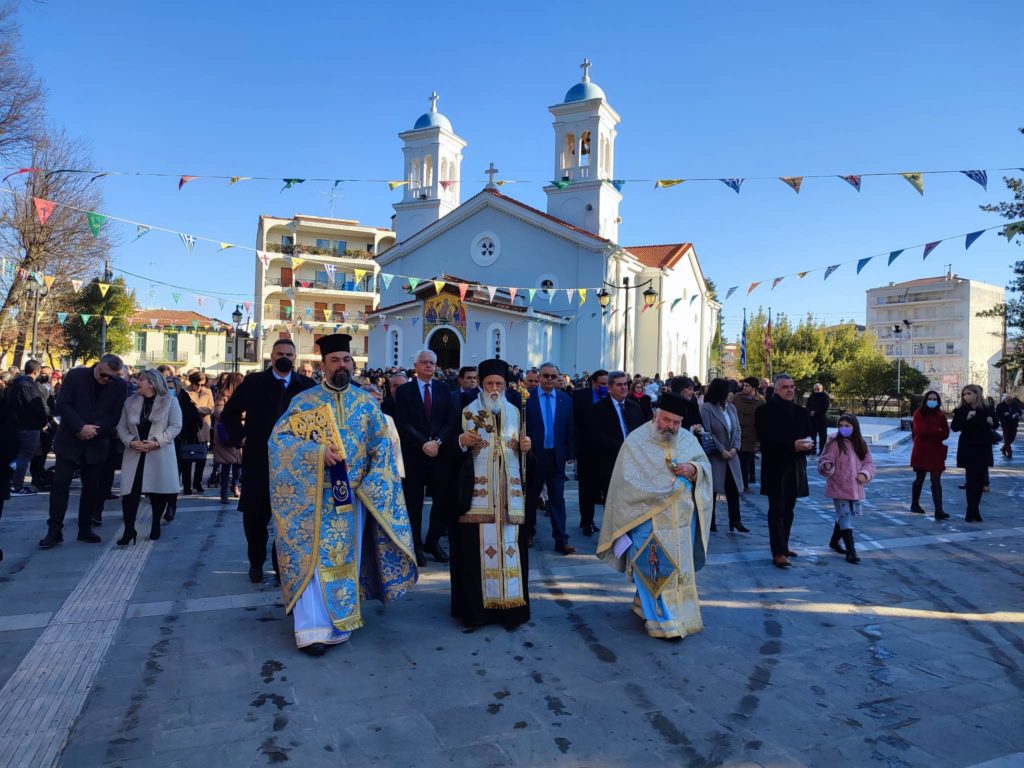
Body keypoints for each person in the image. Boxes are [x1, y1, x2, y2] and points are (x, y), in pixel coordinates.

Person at [270, 333, 416, 655]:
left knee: (345, 561)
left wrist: (372, 483)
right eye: (335, 360)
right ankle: (311, 629)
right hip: (313, 501)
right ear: (322, 365)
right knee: (315, 563)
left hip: (351, 499)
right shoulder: (303, 403)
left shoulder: (365, 404)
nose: (342, 365)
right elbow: (279, 444)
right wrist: (316, 454)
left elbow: (382, 448)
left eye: (346, 360)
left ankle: (340, 622)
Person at [597, 393, 713, 640]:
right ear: (656, 415)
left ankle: (664, 610)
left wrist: (694, 470)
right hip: (646, 520)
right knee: (654, 567)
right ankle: (664, 622)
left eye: (676, 423)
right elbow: (625, 483)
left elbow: (704, 467)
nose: (671, 427)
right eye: (667, 420)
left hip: (682, 522)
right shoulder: (636, 441)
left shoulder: (688, 439)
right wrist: (660, 492)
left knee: (678, 569)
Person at [220, 338, 316, 582]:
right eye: (280, 353)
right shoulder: (254, 382)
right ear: (272, 356)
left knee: (287, 519)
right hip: (258, 460)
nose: (285, 357)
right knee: (254, 517)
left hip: (293, 465)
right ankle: (255, 561)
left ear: (296, 358)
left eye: (289, 354)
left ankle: (279, 565)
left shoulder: (306, 386)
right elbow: (230, 413)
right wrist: (240, 437)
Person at [449, 358, 532, 628]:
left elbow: (523, 455)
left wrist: (527, 447)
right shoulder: (466, 411)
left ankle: (511, 610)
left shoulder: (516, 412)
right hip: (476, 498)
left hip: (509, 498)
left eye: (498, 383)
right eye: (489, 384)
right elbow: (448, 446)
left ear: (506, 386)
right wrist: (461, 442)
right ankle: (477, 612)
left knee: (511, 552)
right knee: (474, 555)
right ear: (481, 386)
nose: (494, 388)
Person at [39, 355, 129, 548]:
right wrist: (80, 427)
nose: (106, 380)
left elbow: (116, 414)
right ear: (97, 367)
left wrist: (94, 429)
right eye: (104, 375)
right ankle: (54, 530)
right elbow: (63, 404)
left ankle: (85, 527)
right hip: (70, 439)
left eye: (111, 377)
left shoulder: (119, 386)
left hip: (96, 441)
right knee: (60, 486)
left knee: (92, 487)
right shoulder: (76, 376)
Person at [393, 349, 456, 566]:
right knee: (414, 504)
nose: (428, 366)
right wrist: (423, 443)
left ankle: (432, 541)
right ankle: (416, 546)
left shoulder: (444, 389)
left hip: (439, 455)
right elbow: (402, 423)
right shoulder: (404, 392)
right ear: (416, 365)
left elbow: (450, 421)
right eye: (424, 362)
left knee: (442, 501)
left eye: (432, 362)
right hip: (415, 456)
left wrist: (437, 442)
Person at [115, 369, 182, 544]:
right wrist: (131, 442)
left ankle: (155, 524)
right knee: (129, 493)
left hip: (158, 452)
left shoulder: (170, 401)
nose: (137, 383)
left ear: (152, 383)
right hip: (135, 453)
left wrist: (157, 441)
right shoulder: (130, 402)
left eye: (141, 380)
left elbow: (175, 426)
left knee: (157, 492)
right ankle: (129, 530)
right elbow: (121, 427)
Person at [755, 373, 813, 568]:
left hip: (796, 466)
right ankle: (777, 551)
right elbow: (766, 440)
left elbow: (809, 433)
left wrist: (808, 444)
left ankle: (784, 545)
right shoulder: (764, 411)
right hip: (776, 467)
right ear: (777, 389)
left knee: (789, 508)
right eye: (785, 387)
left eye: (792, 386)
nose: (790, 390)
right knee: (777, 509)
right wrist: (792, 445)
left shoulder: (800, 411)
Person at [524, 362, 575, 554]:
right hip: (534, 456)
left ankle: (561, 539)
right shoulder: (527, 399)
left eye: (553, 376)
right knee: (530, 498)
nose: (549, 380)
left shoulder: (565, 400)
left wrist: (570, 452)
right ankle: (528, 532)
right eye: (546, 376)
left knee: (557, 499)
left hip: (556, 456)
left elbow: (570, 427)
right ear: (539, 377)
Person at [818, 414, 875, 564]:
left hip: (855, 486)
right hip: (839, 486)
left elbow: (869, 464)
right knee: (845, 516)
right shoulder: (834, 442)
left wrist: (865, 474)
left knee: (845, 516)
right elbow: (825, 459)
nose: (843, 429)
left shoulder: (861, 444)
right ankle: (851, 551)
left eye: (847, 426)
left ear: (854, 427)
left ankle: (834, 541)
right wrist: (827, 466)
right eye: (841, 425)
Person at [699, 378, 749, 534]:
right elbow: (708, 432)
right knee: (713, 490)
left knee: (733, 488)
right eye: (728, 391)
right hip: (716, 456)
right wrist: (722, 450)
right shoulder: (706, 408)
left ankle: (736, 520)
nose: (731, 394)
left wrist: (735, 448)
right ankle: (710, 521)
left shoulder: (731, 408)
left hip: (732, 455)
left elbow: (738, 430)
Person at [591, 371, 645, 511]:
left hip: (633, 464)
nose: (624, 388)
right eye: (619, 385)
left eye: (625, 384)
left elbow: (641, 432)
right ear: (609, 388)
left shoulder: (635, 407)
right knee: (612, 505)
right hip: (611, 464)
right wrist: (624, 447)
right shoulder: (599, 409)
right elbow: (599, 437)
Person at [571, 369, 608, 536]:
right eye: (602, 384)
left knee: (601, 488)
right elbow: (574, 422)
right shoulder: (580, 397)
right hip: (586, 450)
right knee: (586, 488)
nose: (605, 387)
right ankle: (586, 520)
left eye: (607, 384)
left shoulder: (611, 397)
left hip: (605, 451)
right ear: (594, 383)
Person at [951, 384, 995, 523]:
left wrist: (992, 422)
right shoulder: (961, 410)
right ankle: (971, 510)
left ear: (977, 394)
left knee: (980, 480)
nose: (966, 396)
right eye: (964, 394)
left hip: (983, 447)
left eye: (969, 393)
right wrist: (966, 418)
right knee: (971, 480)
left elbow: (996, 424)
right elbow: (955, 427)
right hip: (968, 448)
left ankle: (975, 510)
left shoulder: (986, 409)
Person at [8, 360, 48, 495]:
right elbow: (35, 405)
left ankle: (12, 481)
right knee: (24, 456)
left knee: (18, 456)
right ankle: (17, 485)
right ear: (36, 372)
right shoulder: (28, 385)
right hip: (29, 426)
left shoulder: (16, 383)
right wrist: (43, 421)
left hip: (16, 425)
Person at [910, 390, 950, 520]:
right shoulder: (919, 414)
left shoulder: (940, 415)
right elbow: (920, 431)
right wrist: (936, 431)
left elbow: (946, 433)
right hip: (921, 450)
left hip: (936, 451)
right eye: (930, 398)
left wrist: (934, 432)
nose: (932, 401)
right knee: (919, 479)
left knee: (936, 481)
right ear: (925, 400)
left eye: (935, 399)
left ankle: (939, 510)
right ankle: (915, 504)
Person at [213, 372, 244, 504]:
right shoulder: (223, 396)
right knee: (226, 465)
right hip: (226, 433)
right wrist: (237, 415)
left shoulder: (242, 396)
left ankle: (235, 486)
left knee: (238, 463)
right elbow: (219, 413)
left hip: (238, 433)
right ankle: (224, 492)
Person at [363, 381, 404, 479]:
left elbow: (395, 446)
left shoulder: (388, 419)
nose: (377, 402)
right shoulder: (355, 419)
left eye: (378, 399)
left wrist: (398, 473)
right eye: (372, 399)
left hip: (383, 473)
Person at [182, 370, 214, 494]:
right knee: (186, 459)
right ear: (192, 383)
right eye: (198, 384)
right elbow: (185, 410)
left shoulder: (208, 392)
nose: (200, 387)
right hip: (189, 428)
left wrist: (195, 409)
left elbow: (211, 409)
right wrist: (200, 410)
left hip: (204, 428)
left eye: (202, 384)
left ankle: (197, 483)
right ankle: (186, 485)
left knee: (201, 458)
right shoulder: (185, 392)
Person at [733, 376, 764, 492]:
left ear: (754, 388)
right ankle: (737, 484)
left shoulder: (760, 401)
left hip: (751, 435)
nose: (744, 388)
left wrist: (759, 439)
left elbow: (762, 421)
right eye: (744, 385)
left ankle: (745, 485)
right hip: (737, 434)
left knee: (747, 462)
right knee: (737, 461)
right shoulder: (736, 398)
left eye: (747, 386)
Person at [806, 383, 831, 454]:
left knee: (823, 436)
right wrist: (810, 411)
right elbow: (808, 405)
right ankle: (812, 450)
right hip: (812, 420)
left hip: (821, 419)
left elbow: (825, 407)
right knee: (812, 436)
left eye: (818, 389)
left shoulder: (825, 396)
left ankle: (822, 450)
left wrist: (816, 412)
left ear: (821, 389)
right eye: (815, 389)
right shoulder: (811, 396)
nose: (816, 391)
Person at [996, 393, 1021, 459]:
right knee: (1006, 438)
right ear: (1005, 399)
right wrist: (1004, 414)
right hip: (1005, 424)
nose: (1009, 402)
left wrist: (1017, 414)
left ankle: (1003, 448)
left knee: (1012, 437)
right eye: (1008, 400)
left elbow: (1019, 411)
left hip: (1014, 423)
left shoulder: (1015, 404)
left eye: (1010, 400)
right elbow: (997, 414)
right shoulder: (1000, 405)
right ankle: (1009, 452)